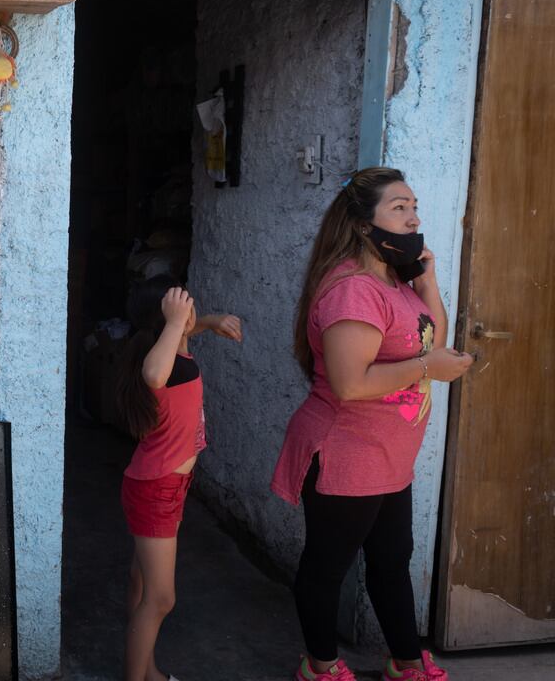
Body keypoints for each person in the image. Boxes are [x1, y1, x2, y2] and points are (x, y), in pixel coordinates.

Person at [271, 167, 474, 681]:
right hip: (346, 452)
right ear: (364, 224)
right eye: (399, 207)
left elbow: (433, 338)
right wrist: (429, 368)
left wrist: (426, 282)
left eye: (414, 206)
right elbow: (350, 384)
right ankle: (321, 667)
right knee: (327, 568)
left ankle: (405, 662)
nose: (414, 217)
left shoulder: (394, 280)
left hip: (388, 456)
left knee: (390, 562)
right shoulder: (354, 290)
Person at [116, 276, 242, 681]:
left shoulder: (172, 347)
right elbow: (155, 374)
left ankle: (146, 669)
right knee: (160, 598)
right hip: (157, 489)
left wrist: (207, 320)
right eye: (182, 307)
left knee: (142, 583)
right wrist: (178, 323)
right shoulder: (160, 364)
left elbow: (175, 339)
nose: (189, 313)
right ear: (166, 320)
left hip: (158, 485)